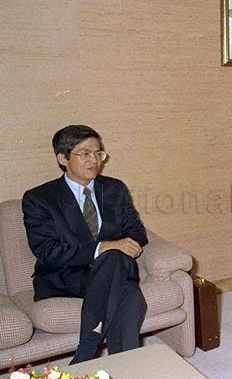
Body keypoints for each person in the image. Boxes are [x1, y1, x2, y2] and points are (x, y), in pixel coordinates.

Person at [22, 125, 148, 364]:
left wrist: (114, 249)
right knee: (128, 292)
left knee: (114, 259)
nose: (94, 160)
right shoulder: (40, 198)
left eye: (98, 153)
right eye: (85, 153)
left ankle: (89, 348)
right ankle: (127, 366)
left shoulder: (114, 188)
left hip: (113, 268)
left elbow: (137, 232)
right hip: (66, 277)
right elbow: (47, 252)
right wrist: (104, 248)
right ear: (63, 158)